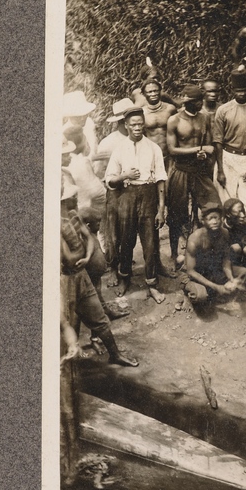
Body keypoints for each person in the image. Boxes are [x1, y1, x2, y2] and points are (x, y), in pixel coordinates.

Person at [61, 174, 138, 367]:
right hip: (65, 279)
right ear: (64, 199)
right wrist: (79, 255)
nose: (75, 198)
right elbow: (67, 257)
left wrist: (86, 257)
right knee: (68, 321)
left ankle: (115, 354)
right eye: (72, 196)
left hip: (80, 274)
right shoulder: (53, 223)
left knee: (99, 318)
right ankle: (71, 362)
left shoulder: (72, 216)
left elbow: (87, 239)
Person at [105, 106, 167, 303]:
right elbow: (110, 181)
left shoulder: (154, 148)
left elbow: (160, 179)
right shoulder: (119, 149)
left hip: (148, 196)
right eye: (133, 125)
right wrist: (125, 175)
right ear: (126, 125)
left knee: (150, 243)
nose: (138, 128)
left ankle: (152, 284)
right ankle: (125, 279)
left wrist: (161, 208)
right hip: (127, 195)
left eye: (141, 124)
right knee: (126, 241)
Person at [165, 84, 217, 271]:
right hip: (181, 170)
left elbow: (210, 144)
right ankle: (173, 253)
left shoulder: (205, 118)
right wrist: (199, 149)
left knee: (210, 207)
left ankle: (202, 251)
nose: (201, 103)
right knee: (177, 214)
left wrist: (205, 154)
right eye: (198, 101)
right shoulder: (174, 120)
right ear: (189, 102)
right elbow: (172, 150)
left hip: (200, 170)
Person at [213, 69, 246, 242]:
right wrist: (220, 170)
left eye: (244, 89)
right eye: (238, 90)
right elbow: (218, 142)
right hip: (227, 158)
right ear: (232, 90)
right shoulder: (223, 110)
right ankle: (226, 245)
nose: (241, 93)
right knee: (227, 206)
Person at [91, 98, 133, 287]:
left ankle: (125, 265)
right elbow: (99, 173)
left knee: (130, 232)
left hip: (135, 192)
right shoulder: (108, 143)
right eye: (127, 118)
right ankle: (113, 269)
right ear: (120, 121)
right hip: (115, 192)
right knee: (113, 234)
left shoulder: (139, 137)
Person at [181, 203, 246, 309]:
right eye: (210, 218)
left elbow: (226, 259)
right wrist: (216, 287)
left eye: (216, 218)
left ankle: (221, 296)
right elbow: (191, 271)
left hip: (215, 270)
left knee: (243, 272)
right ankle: (190, 293)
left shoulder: (224, 233)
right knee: (201, 296)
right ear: (203, 221)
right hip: (196, 275)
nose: (214, 221)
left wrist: (230, 278)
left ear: (221, 219)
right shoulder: (195, 239)